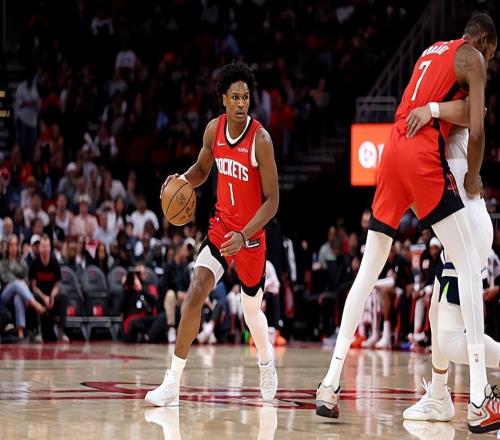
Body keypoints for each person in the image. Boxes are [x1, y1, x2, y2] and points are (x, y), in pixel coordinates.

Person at [316, 13, 499, 434]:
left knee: (368, 270)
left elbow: (454, 108)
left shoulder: (430, 52)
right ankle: (479, 398)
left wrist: (433, 107)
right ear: (484, 42)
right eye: (491, 54)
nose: (489, 64)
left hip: (392, 146)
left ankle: (329, 384)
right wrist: (473, 178)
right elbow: (478, 126)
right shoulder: (473, 57)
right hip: (421, 156)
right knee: (468, 267)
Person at [146, 61, 279, 406]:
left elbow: (273, 201)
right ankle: (172, 384)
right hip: (221, 227)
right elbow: (203, 170)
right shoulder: (213, 130)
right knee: (195, 293)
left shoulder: (261, 140)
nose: (241, 103)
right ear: (223, 99)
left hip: (251, 236)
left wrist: (245, 234)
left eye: (245, 97)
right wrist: (180, 180)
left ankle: (266, 363)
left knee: (251, 312)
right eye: (235, 97)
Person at [403, 72, 499, 432]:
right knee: (434, 313)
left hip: (469, 230)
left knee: (452, 339)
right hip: (457, 230)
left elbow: (476, 115)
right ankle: (439, 395)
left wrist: (430, 108)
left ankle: (454, 395)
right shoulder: (442, 113)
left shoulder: (456, 108)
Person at [0, 235, 46, 338]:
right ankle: (35, 304)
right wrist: (21, 282)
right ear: (8, 247)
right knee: (16, 283)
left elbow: (26, 279)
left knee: (18, 298)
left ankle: (20, 331)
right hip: (6, 294)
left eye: (15, 245)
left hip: (20, 294)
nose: (13, 248)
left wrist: (22, 283)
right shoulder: (3, 263)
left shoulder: (22, 262)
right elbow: (7, 279)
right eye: (11, 245)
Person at [29, 235, 68, 342]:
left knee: (63, 296)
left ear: (50, 248)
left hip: (51, 295)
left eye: (47, 246)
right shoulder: (34, 264)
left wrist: (52, 295)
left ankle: (61, 332)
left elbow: (57, 284)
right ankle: (38, 332)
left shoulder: (55, 263)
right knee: (34, 297)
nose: (45, 249)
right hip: (40, 296)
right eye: (43, 246)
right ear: (40, 248)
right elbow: (34, 287)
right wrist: (44, 297)